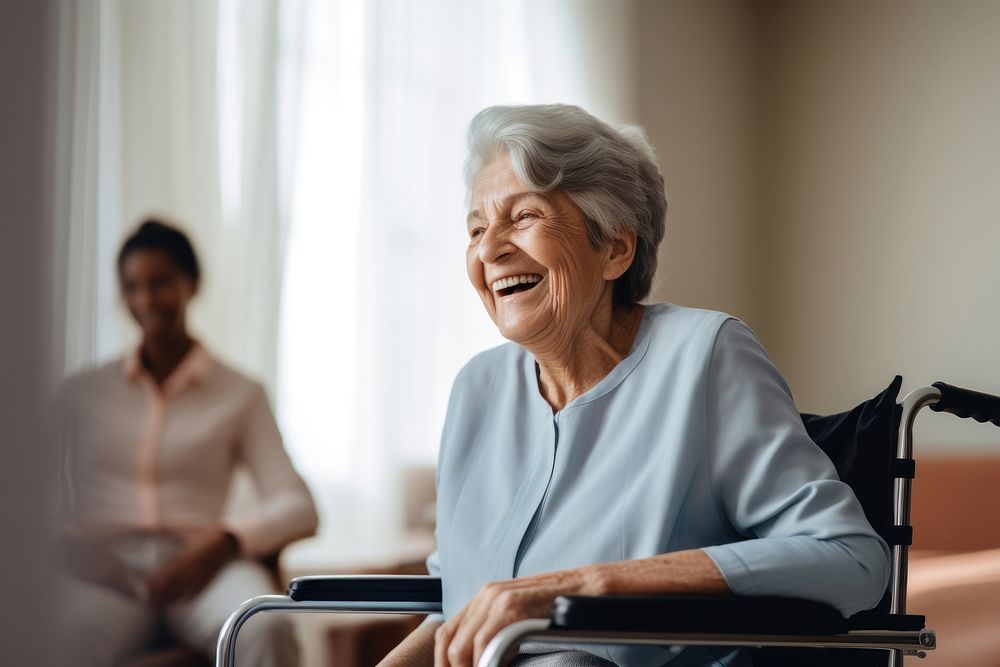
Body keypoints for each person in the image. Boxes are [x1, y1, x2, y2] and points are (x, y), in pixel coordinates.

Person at [380, 105, 890, 667]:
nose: (489, 248)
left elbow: (850, 560)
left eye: (523, 216)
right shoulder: (476, 388)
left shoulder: (705, 357)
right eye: (476, 228)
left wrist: (591, 584)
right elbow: (456, 607)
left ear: (615, 250)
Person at [55, 219, 318, 666]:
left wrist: (226, 542)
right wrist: (70, 545)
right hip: (104, 576)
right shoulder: (82, 393)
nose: (146, 299)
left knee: (264, 626)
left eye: (160, 283)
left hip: (203, 572)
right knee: (55, 631)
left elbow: (298, 506)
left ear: (191, 284)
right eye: (132, 286)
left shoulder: (240, 393)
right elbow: (26, 493)